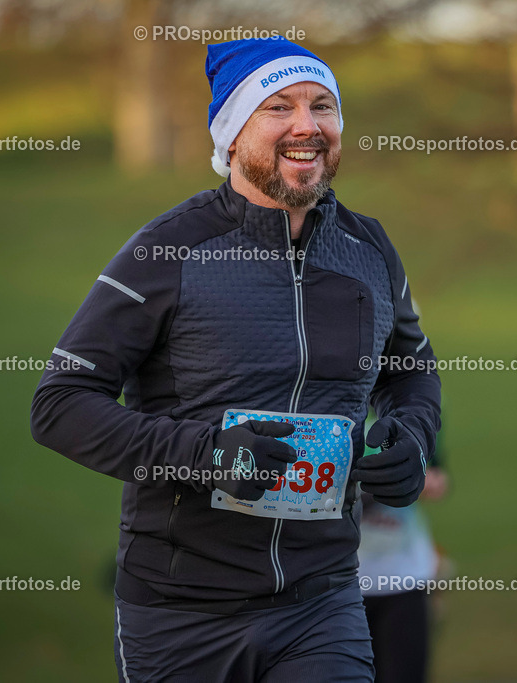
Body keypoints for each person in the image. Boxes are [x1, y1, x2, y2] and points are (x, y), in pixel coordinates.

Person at [30, 37, 441, 682]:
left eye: (322, 106)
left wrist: (411, 441)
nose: (307, 124)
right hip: (180, 614)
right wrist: (210, 454)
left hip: (324, 604)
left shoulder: (371, 250)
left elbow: (412, 373)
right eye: (279, 107)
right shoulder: (167, 250)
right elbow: (58, 406)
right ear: (232, 131)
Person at [358, 412, 449, 683]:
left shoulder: (418, 401)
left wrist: (425, 481)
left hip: (405, 576)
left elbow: (439, 476)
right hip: (340, 583)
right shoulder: (325, 407)